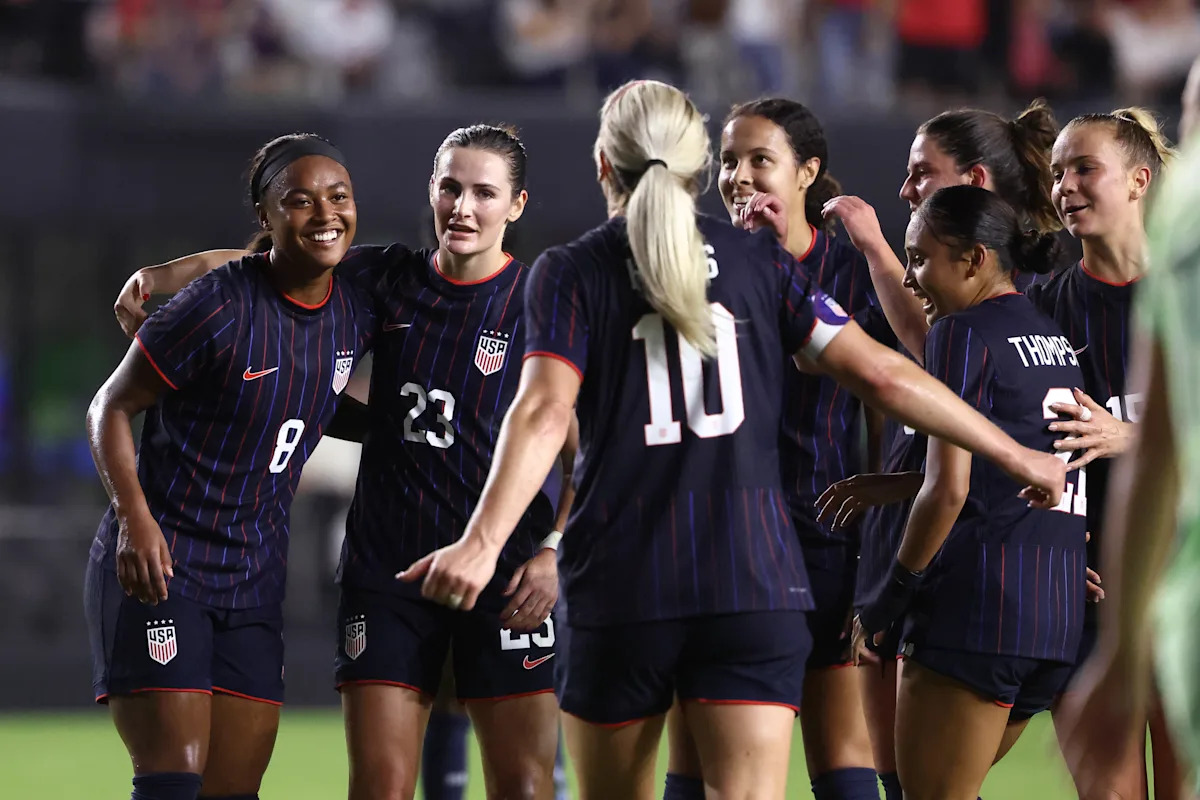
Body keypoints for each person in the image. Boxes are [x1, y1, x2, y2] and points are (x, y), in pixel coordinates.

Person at [398, 79, 1068, 799]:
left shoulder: (571, 271)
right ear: (697, 166)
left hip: (625, 578)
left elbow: (541, 412)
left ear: (602, 163)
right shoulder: (759, 262)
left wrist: (482, 541)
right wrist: (1015, 452)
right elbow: (882, 374)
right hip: (751, 581)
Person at [113, 125, 574, 800]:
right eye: (450, 188)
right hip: (387, 574)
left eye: (484, 193)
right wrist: (163, 275)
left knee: (524, 787)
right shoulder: (386, 278)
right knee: (379, 787)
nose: (463, 208)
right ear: (431, 190)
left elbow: (589, 447)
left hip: (506, 574)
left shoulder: (544, 306)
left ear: (517, 204)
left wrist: (557, 551)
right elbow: (266, 263)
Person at [86, 134, 381, 800]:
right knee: (173, 780)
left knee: (235, 789)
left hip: (253, 581)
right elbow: (109, 407)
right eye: (299, 201)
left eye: (338, 196)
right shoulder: (217, 307)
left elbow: (310, 392)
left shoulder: (356, 302)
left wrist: (405, 433)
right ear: (266, 216)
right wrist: (135, 521)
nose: (324, 213)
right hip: (165, 566)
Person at [817, 99, 1062, 800]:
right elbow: (1004, 452)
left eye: (921, 173)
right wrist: (895, 485)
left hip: (968, 588)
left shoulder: (970, 319)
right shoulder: (1039, 322)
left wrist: (888, 597)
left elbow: (950, 450)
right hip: (1037, 595)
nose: (905, 190)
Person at [662, 97, 892, 800]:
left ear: (807, 171)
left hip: (822, 533)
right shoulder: (693, 265)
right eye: (728, 160)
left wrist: (874, 553)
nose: (738, 176)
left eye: (760, 159)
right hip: (715, 533)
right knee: (697, 752)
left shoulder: (851, 274)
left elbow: (885, 411)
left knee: (841, 750)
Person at [851, 185, 1088, 800]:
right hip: (1053, 617)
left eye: (919, 259)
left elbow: (948, 487)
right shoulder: (1052, 337)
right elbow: (1011, 470)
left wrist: (888, 598)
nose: (910, 279)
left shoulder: (959, 332)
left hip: (978, 614)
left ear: (975, 258)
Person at [1056, 89, 1200, 799]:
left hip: (1180, 588)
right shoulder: (1043, 308)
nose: (1065, 186)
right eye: (1057, 173)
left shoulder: (1184, 283)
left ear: (1140, 180)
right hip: (1089, 600)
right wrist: (1057, 551)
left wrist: (1129, 438)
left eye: (1084, 169)